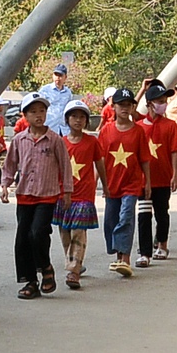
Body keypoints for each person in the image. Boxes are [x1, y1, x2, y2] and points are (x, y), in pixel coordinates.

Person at [1, 102, 68, 299]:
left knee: (38, 233)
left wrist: (67, 192)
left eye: (42, 111)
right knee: (22, 239)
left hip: (47, 195)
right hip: (24, 195)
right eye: (33, 112)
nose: (39, 115)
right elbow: (10, 164)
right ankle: (30, 281)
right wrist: (5, 185)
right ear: (25, 116)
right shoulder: (20, 140)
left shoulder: (55, 140)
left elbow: (65, 166)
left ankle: (46, 267)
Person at [97, 87, 148, 278]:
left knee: (126, 216)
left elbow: (144, 159)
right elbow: (99, 159)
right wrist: (97, 182)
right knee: (111, 220)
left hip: (132, 184)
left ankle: (125, 257)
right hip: (111, 184)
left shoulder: (138, 132)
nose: (125, 109)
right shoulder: (106, 131)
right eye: (121, 105)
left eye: (128, 105)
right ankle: (117, 253)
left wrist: (147, 182)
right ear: (113, 107)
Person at [54, 101, 100, 288]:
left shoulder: (92, 142)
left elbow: (100, 165)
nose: (78, 120)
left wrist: (105, 185)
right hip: (62, 195)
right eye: (74, 116)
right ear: (67, 119)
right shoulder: (60, 143)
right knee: (65, 232)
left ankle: (73, 270)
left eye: (82, 117)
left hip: (84, 196)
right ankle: (75, 262)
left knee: (78, 232)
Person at [140, 81, 177, 262]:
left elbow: (176, 150)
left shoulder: (170, 126)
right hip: (143, 180)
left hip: (163, 178)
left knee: (161, 213)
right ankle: (145, 253)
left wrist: (176, 174)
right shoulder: (140, 126)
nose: (162, 104)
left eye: (164, 100)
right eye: (159, 101)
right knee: (144, 216)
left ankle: (162, 245)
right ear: (149, 104)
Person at [32, 60, 80, 134]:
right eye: (56, 75)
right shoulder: (45, 90)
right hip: (49, 127)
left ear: (65, 77)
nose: (58, 78)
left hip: (64, 129)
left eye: (60, 75)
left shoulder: (68, 92)